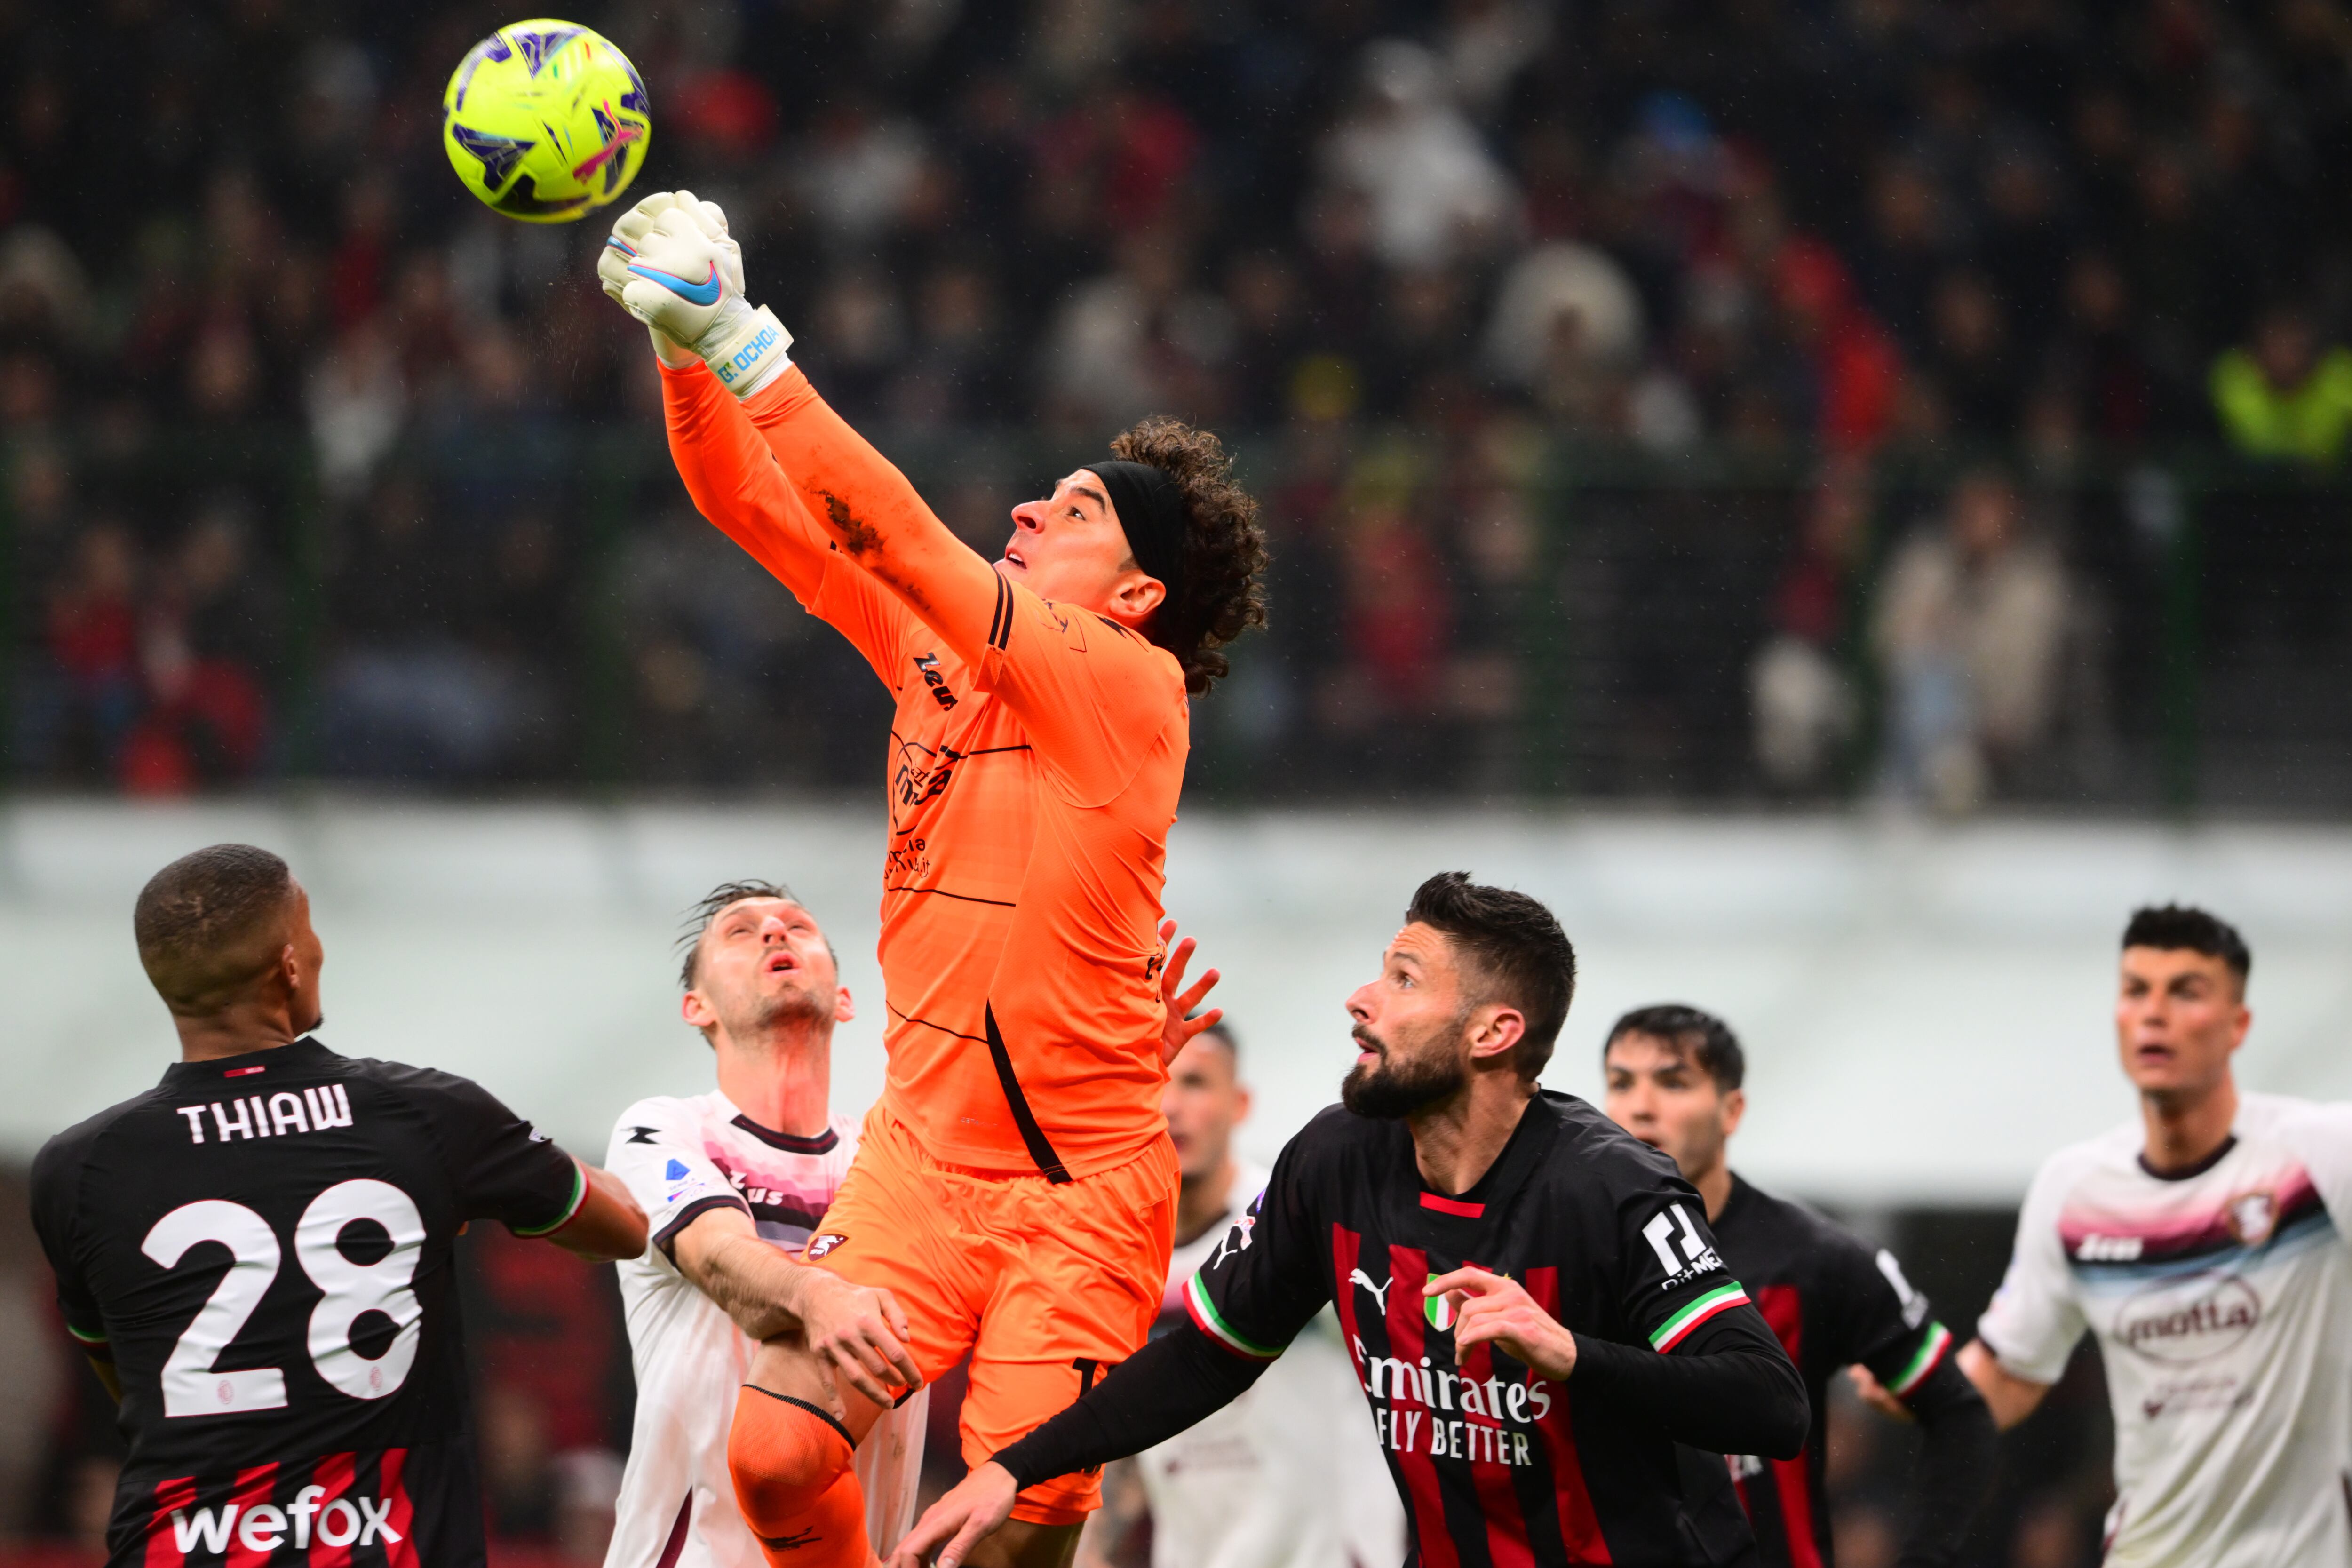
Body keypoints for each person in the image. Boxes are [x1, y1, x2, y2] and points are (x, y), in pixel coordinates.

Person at [596, 192, 1263, 1568]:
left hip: (1079, 1197)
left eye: (1072, 509)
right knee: (775, 1460)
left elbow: (897, 534)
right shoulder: (933, 654)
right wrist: (679, 347)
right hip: (921, 1156)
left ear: (1135, 596)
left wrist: (746, 339)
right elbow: (751, 503)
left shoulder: (1131, 690)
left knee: (1007, 1537)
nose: (1027, 503)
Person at [899, 871, 1809, 1568]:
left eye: (1403, 979)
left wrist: (1568, 1350)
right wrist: (1017, 1465)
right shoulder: (1336, 1159)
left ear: (1491, 1033)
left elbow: (1771, 1402)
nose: (1361, 998)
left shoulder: (1612, 1188)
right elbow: (1213, 1352)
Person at [29, 844, 647, 1567]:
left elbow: (129, 1375)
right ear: (290, 962)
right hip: (392, 1547)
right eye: (311, 929)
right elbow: (622, 1229)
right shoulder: (428, 1116)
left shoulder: (78, 1169)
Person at [1959, 905, 2352, 1567]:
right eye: (2137, 990)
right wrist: (1910, 1377)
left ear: (2239, 1024)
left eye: (2186, 991)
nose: (2155, 1012)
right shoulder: (2075, 1190)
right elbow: (2010, 1374)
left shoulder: (2321, 1156)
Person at [603, 882, 930, 1568]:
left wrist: (1109, 1083)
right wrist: (818, 1296)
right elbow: (722, 1259)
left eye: (797, 927)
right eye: (741, 932)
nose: (776, 934)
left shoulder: (896, 1158)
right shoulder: (664, 1128)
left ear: (845, 999)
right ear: (698, 1007)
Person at [1601, 1004, 1996, 1568]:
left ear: (1730, 1110)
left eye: (1672, 1081)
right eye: (1620, 1083)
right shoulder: (1571, 1247)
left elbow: (1958, 1414)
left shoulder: (1813, 1257)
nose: (1640, 1106)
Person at [1077, 1023, 1404, 1568]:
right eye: (1151, 1083)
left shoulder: (1295, 1224)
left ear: (1240, 1102)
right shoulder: (1112, 1256)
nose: (1170, 1105)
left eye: (1195, 1083)